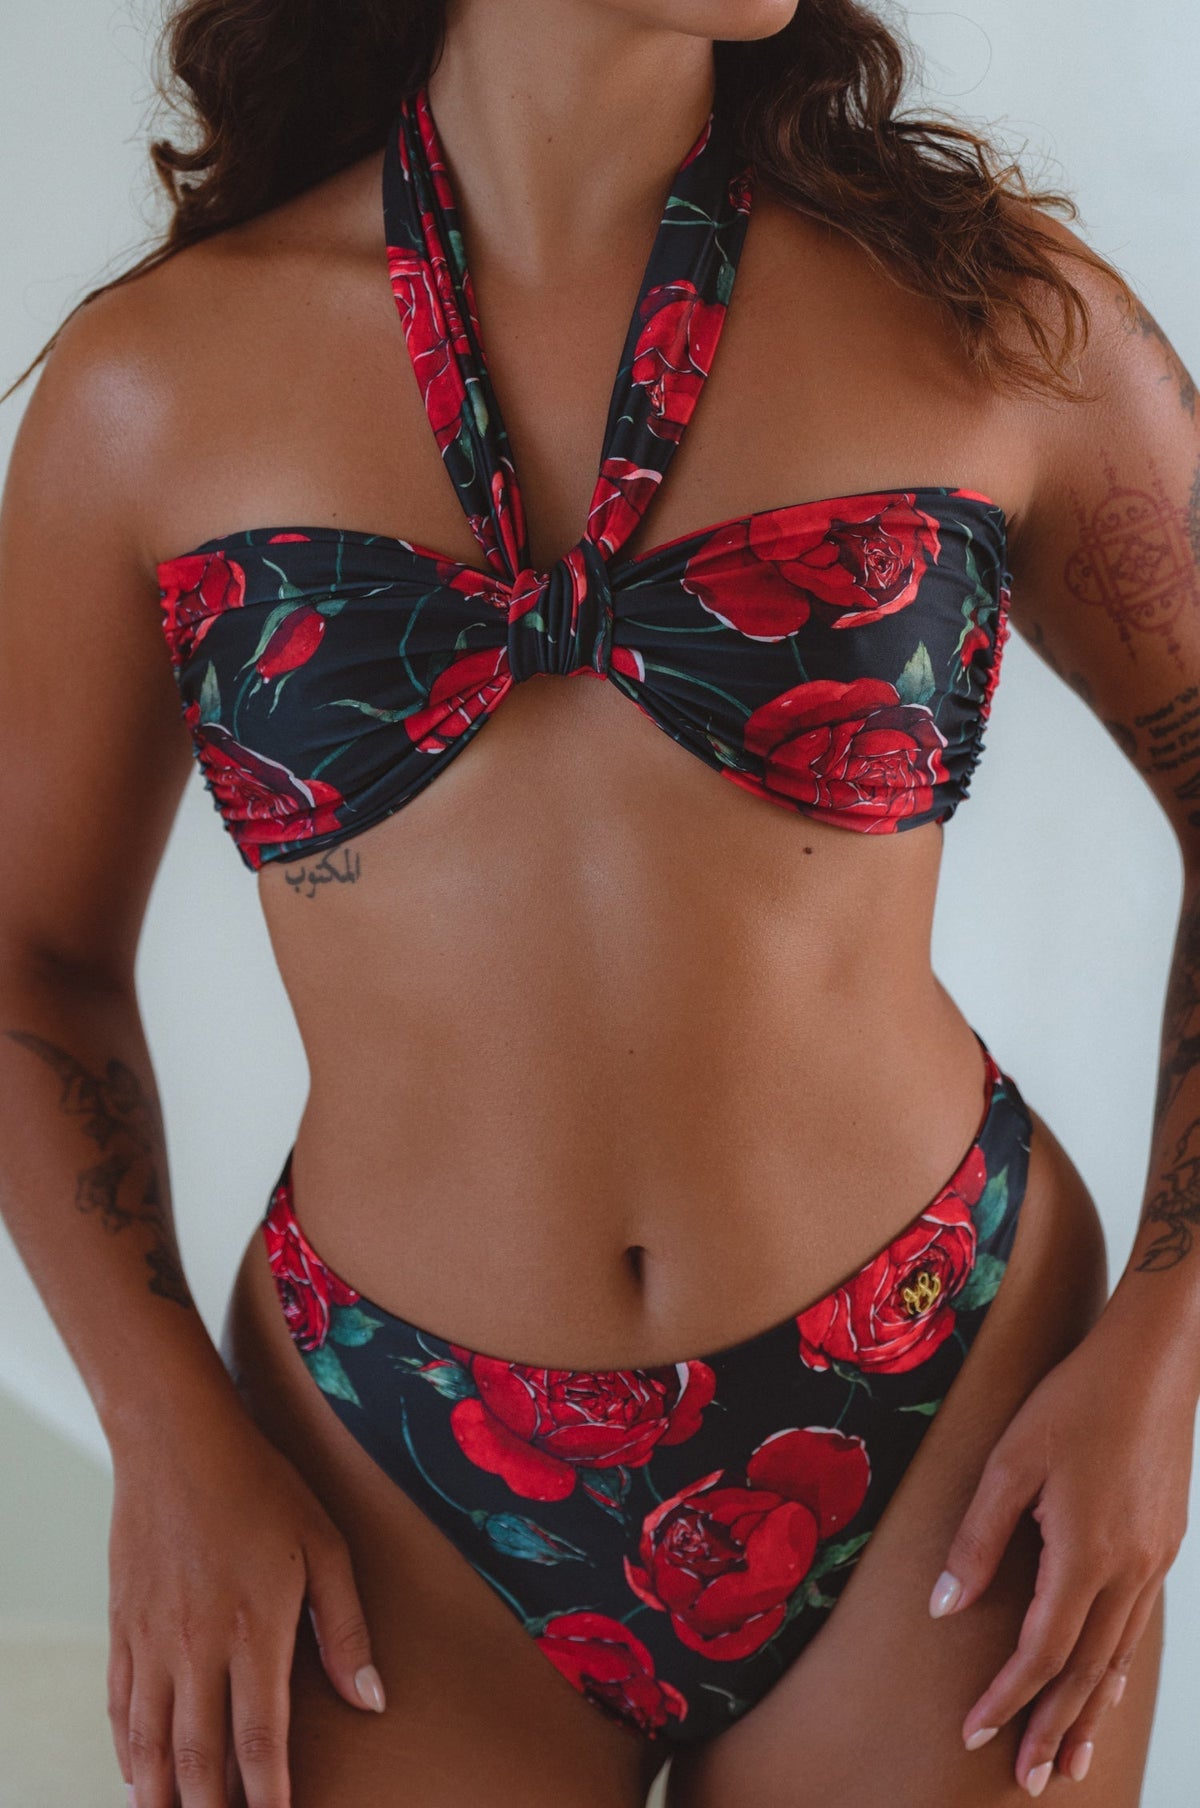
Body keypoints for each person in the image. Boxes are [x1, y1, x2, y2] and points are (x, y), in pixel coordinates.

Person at [0, 1, 1196, 1803]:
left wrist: (1165, 1363)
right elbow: (28, 956)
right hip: (381, 1477)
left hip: (942, 1411)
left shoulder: (998, 320)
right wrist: (162, 1437)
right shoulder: (152, 380)